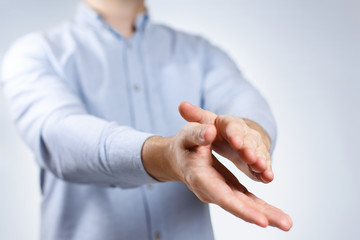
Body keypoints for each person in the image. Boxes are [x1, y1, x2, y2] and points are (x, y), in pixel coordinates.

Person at [1, 0, 292, 239]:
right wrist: (165, 157)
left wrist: (251, 134)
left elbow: (246, 102)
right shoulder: (36, 53)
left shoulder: (200, 52)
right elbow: (60, 138)